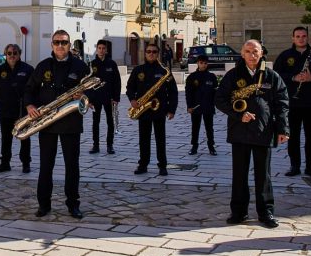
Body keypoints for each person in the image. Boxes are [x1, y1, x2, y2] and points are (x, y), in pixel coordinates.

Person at [215, 40, 289, 228]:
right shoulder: (233, 75)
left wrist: (283, 129)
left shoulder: (271, 76)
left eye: (255, 51)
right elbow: (219, 99)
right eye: (248, 51)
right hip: (239, 131)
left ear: (262, 53)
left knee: (263, 175)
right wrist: (239, 114)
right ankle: (238, 212)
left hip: (264, 131)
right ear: (242, 54)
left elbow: (282, 103)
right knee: (239, 174)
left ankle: (266, 213)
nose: (252, 55)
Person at [24, 30, 91, 219]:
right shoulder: (43, 66)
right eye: (56, 42)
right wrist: (30, 105)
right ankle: (43, 205)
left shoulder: (80, 66)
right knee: (46, 165)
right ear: (51, 45)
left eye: (64, 42)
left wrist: (85, 96)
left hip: (71, 123)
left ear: (70, 45)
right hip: (47, 124)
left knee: (72, 166)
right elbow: (29, 89)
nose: (60, 46)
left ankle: (73, 205)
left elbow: (92, 92)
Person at [274, 27, 311, 179]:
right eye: (298, 36)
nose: (301, 39)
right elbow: (276, 75)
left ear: (308, 38)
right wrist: (293, 78)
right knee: (292, 136)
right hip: (292, 103)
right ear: (293, 38)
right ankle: (295, 166)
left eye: (304, 36)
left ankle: (310, 167)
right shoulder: (285, 55)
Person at [126, 43, 177, 176]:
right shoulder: (138, 70)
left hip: (160, 110)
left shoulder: (164, 71)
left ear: (158, 53)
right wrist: (132, 100)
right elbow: (130, 87)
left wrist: (172, 109)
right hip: (143, 109)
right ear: (145, 53)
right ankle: (143, 164)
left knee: (160, 139)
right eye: (149, 51)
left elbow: (173, 91)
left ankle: (162, 165)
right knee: (143, 139)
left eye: (154, 52)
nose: (151, 54)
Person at [0, 43, 34, 173]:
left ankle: (25, 163)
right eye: (9, 53)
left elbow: (34, 90)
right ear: (5, 55)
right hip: (5, 110)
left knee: (25, 138)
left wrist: (34, 106)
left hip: (23, 111)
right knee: (6, 138)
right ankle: (5, 163)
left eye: (15, 53)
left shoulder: (28, 69)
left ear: (19, 54)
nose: (12, 55)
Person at [87, 40, 121, 155]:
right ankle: (95, 145)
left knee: (110, 122)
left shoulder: (112, 64)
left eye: (103, 48)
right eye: (99, 48)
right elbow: (88, 84)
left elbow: (117, 82)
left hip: (109, 98)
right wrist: (89, 100)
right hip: (95, 98)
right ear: (97, 49)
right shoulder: (92, 64)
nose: (101, 50)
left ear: (106, 50)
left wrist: (116, 98)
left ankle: (109, 145)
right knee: (95, 122)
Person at [185, 54, 218, 156]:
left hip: (208, 106)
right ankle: (194, 146)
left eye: (205, 63)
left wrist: (214, 104)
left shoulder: (212, 77)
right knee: (195, 127)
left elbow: (215, 92)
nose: (203, 65)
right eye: (201, 63)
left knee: (209, 127)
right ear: (197, 63)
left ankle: (211, 146)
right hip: (196, 106)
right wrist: (189, 106)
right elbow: (188, 93)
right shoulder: (192, 77)